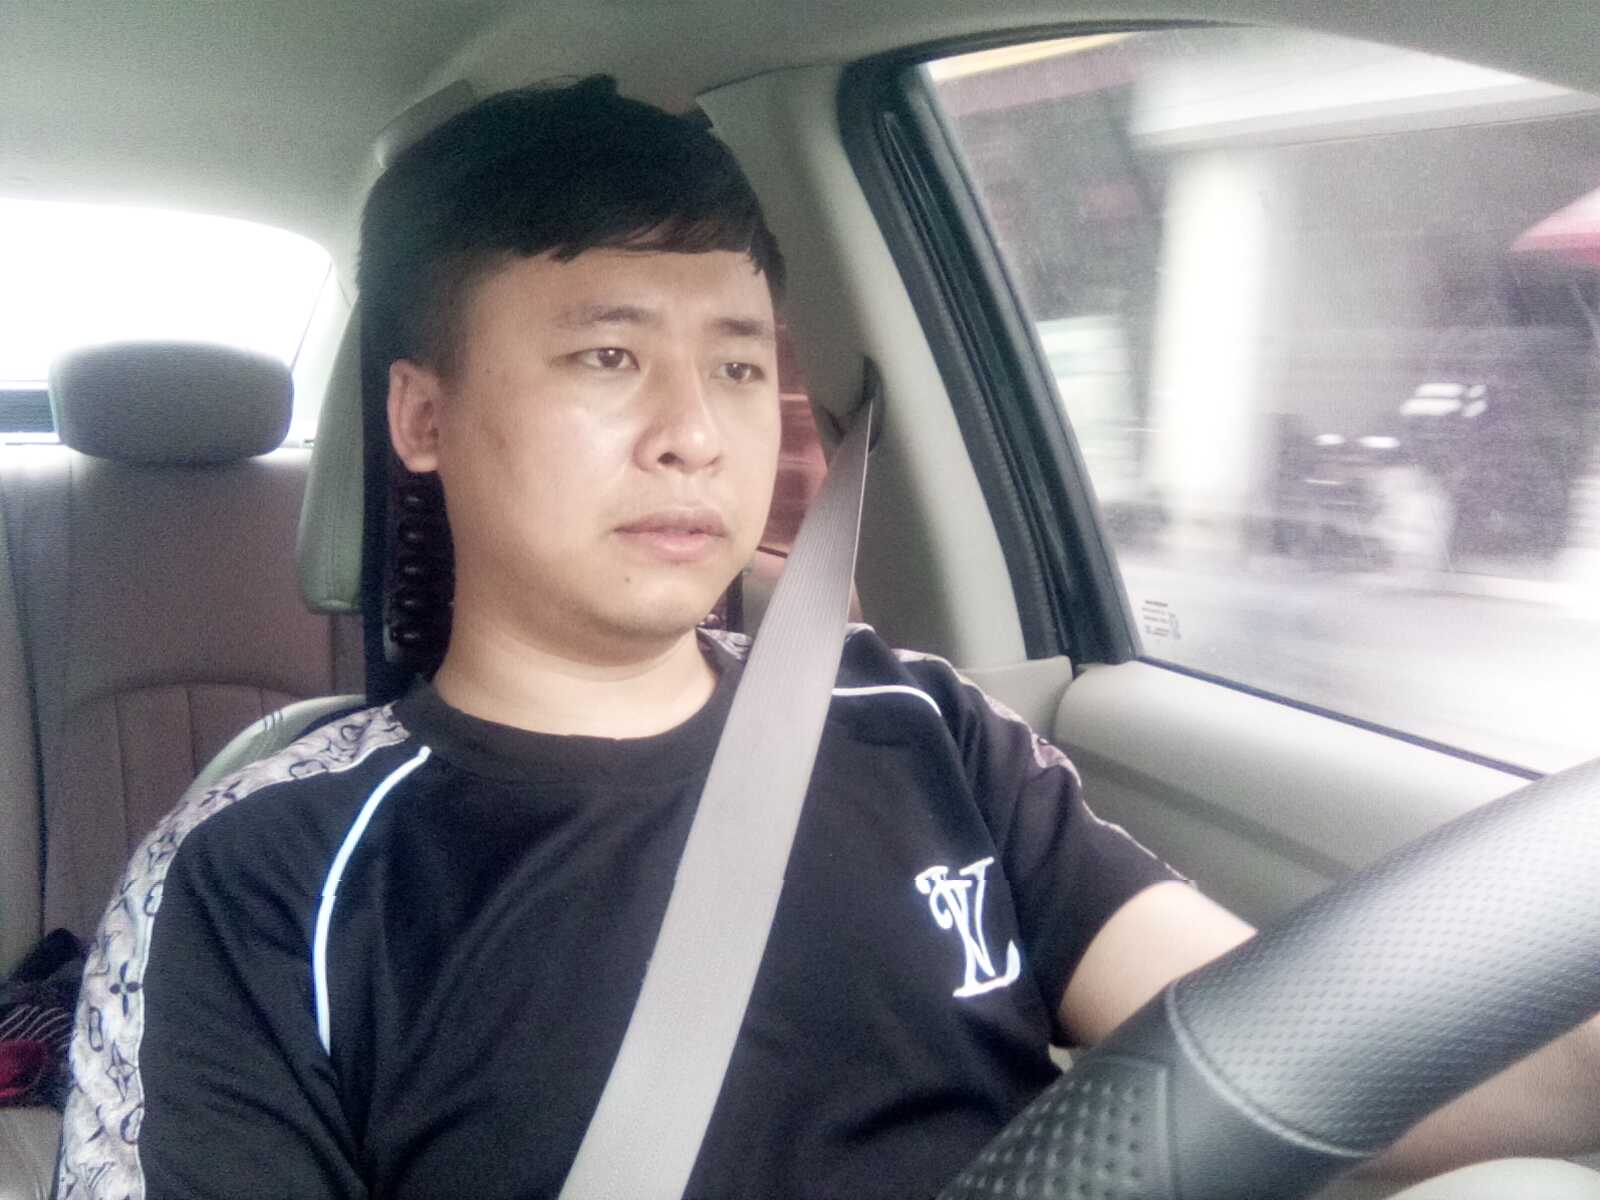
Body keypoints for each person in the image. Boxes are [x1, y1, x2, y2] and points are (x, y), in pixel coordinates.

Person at [58, 77, 1600, 1199]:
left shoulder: (923, 730)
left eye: (738, 367)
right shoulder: (261, 876)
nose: (694, 433)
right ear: (421, 416)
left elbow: (1294, 1046)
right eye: (607, 357)